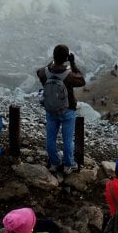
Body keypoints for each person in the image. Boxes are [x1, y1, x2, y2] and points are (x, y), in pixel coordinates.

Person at [35, 45, 85, 174]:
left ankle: (54, 163)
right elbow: (81, 80)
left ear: (53, 56)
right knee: (67, 139)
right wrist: (72, 63)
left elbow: (39, 72)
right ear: (66, 58)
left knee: (51, 138)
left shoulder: (44, 72)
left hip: (51, 109)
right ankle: (69, 165)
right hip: (68, 110)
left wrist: (52, 62)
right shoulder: (69, 75)